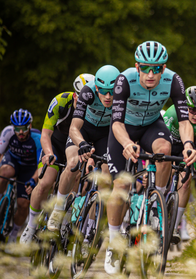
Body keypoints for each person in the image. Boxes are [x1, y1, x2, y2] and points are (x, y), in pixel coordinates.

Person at [105, 40, 196, 274]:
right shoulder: (124, 80)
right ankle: (114, 243)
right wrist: (126, 143)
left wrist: (187, 145)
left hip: (150, 126)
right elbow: (115, 122)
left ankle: (159, 202)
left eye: (156, 69)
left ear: (163, 69)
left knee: (165, 150)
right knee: (122, 185)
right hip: (123, 128)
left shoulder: (173, 80)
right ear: (137, 66)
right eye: (145, 68)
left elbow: (184, 121)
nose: (150, 74)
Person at [20, 74, 95, 243]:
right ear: (75, 95)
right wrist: (48, 153)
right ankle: (31, 226)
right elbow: (46, 133)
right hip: (55, 146)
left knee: (75, 174)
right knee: (45, 182)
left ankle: (66, 222)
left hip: (76, 148)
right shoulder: (61, 102)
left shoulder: (95, 108)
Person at [46, 66, 119, 232]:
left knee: (106, 175)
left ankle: (91, 226)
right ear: (97, 88)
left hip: (104, 134)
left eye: (112, 92)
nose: (108, 97)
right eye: (104, 92)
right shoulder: (87, 92)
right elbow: (73, 128)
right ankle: (58, 210)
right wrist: (82, 143)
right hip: (82, 130)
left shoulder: (122, 95)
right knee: (73, 163)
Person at [163, 85, 196, 243]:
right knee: (164, 176)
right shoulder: (172, 112)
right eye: (192, 110)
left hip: (188, 149)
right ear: (185, 106)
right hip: (169, 146)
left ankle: (174, 224)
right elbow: (159, 140)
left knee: (185, 182)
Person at [0, 109, 41, 243]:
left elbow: (40, 165)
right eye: (17, 129)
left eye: (23, 128)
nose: (21, 132)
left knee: (23, 204)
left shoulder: (37, 138)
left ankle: (13, 236)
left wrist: (33, 179)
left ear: (29, 126)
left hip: (29, 168)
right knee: (4, 173)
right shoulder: (7, 132)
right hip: (12, 161)